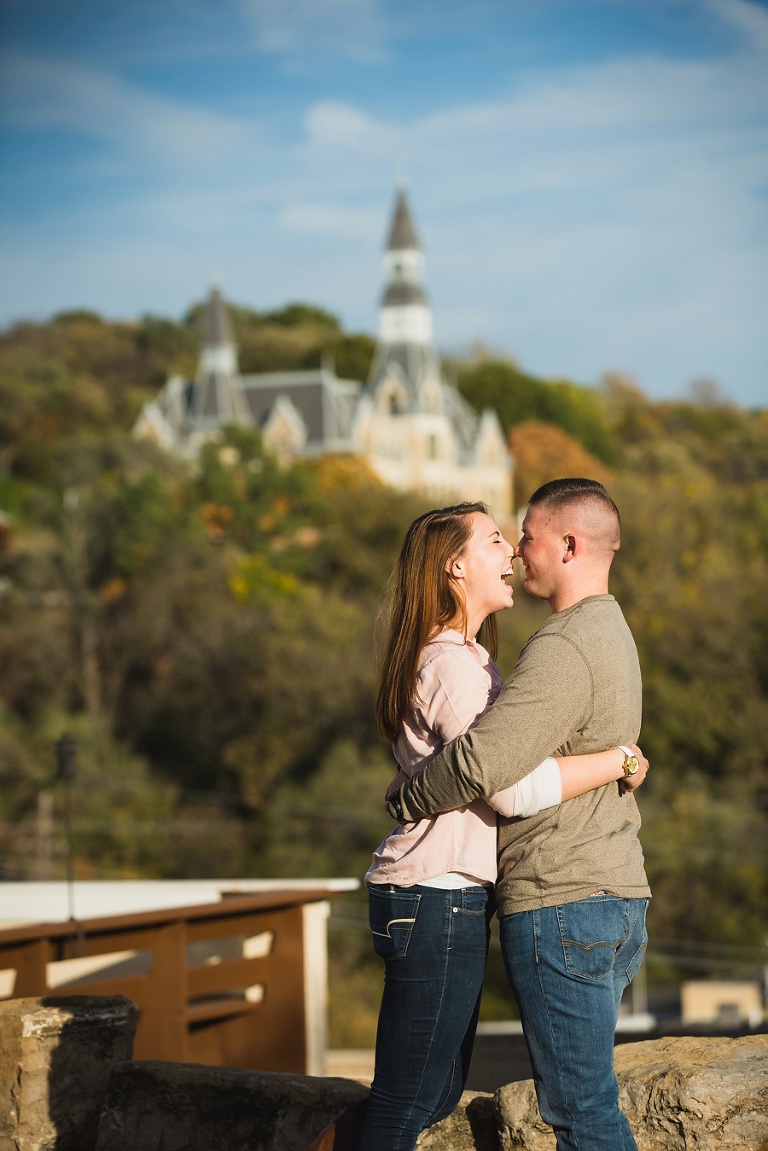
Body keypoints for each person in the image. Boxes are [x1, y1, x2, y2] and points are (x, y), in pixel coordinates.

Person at [307, 498, 647, 1151]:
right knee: (410, 1097)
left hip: (448, 894)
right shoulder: (453, 665)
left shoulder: (472, 659)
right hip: (434, 893)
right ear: (454, 565)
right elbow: (511, 787)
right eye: (497, 540)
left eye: (514, 538)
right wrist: (615, 758)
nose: (513, 553)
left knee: (429, 1093)